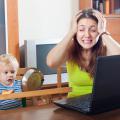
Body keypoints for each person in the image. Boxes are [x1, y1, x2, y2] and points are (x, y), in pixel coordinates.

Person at [46, 9, 120, 98]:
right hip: (75, 102)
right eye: (81, 29)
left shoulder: (105, 49)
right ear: (76, 32)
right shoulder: (70, 49)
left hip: (102, 101)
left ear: (98, 32)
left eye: (93, 30)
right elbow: (51, 62)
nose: (87, 35)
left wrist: (103, 32)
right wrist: (71, 32)